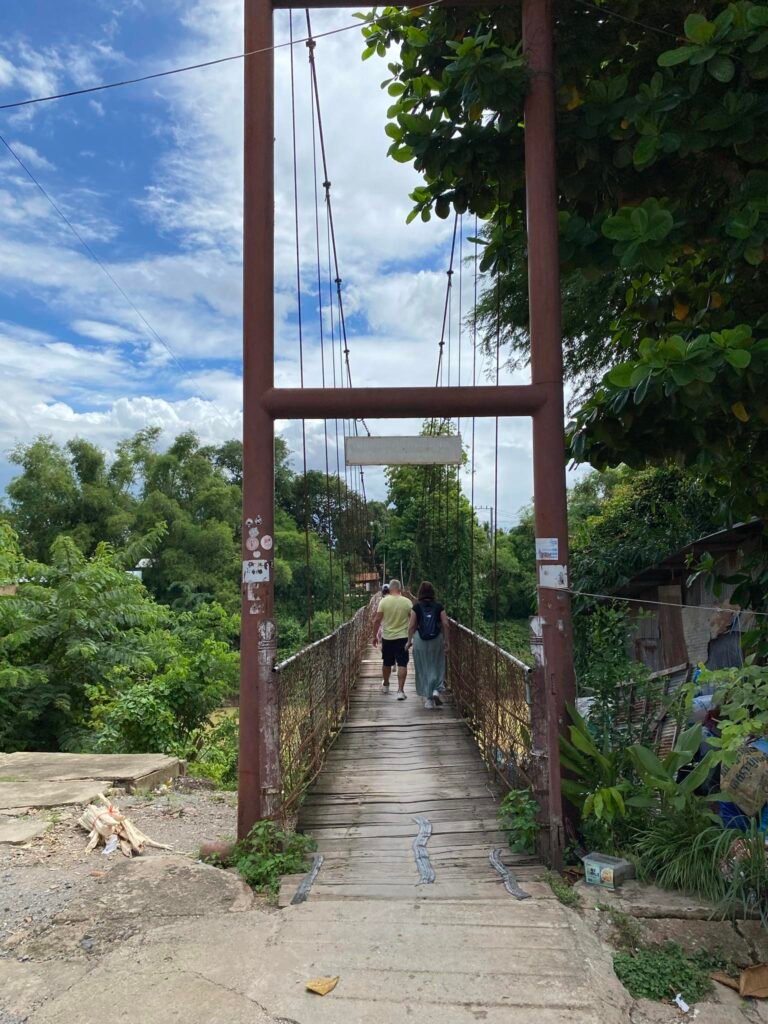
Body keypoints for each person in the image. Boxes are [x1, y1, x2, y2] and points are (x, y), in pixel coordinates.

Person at [407, 581, 449, 710]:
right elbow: (446, 624)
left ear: (420, 592)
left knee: (423, 668)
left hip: (420, 640)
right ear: (433, 592)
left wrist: (409, 641)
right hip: (436, 639)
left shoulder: (416, 607)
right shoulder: (438, 606)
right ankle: (436, 689)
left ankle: (428, 700)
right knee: (438, 664)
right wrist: (446, 640)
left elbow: (412, 625)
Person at [372, 579, 412, 700]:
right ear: (400, 589)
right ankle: (400, 691)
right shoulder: (407, 602)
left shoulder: (384, 601)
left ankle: (386, 684)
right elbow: (413, 621)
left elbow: (377, 620)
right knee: (402, 663)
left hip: (387, 637)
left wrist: (374, 636)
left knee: (387, 662)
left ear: (389, 589)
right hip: (403, 637)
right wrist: (412, 637)